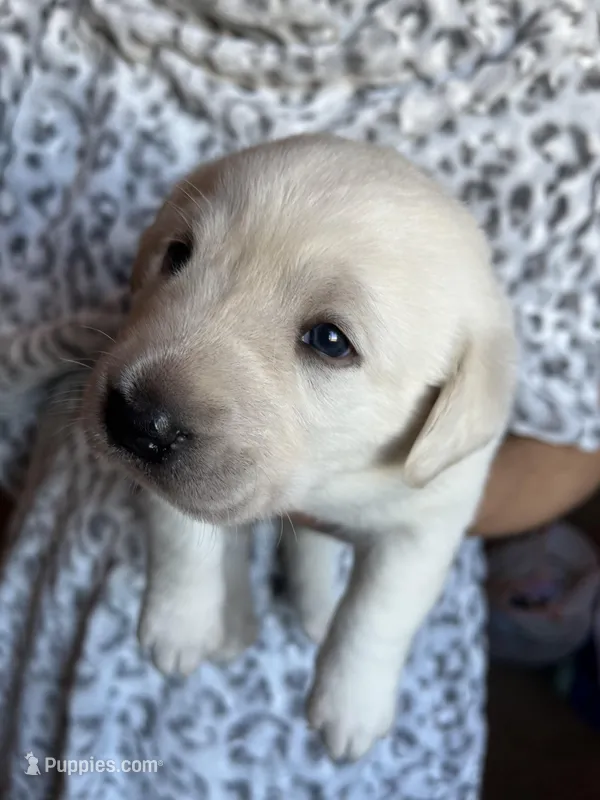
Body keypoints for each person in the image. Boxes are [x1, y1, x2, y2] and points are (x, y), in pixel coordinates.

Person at [0, 1, 598, 798]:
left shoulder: (557, 50)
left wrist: (368, 655)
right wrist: (186, 584)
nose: (154, 384)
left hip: (344, 553)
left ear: (453, 400)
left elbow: (432, 532)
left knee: (352, 627)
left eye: (328, 339)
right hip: (91, 578)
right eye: (181, 255)